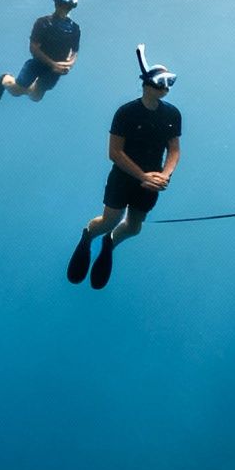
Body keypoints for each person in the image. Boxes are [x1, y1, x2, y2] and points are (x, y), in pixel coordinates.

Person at [67, 46, 182, 290]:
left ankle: (109, 243)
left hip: (152, 181)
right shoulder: (126, 112)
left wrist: (164, 174)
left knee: (134, 226)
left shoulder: (172, 114)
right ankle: (88, 236)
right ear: (147, 84)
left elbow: (174, 150)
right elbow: (115, 153)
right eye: (162, 82)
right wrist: (143, 176)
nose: (166, 87)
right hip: (124, 177)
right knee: (110, 219)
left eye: (170, 82)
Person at [0, 0, 82, 107]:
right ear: (56, 4)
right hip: (37, 65)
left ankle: (31, 86)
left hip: (54, 70)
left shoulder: (75, 28)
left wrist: (69, 64)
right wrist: (53, 64)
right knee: (17, 91)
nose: (64, 8)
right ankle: (5, 79)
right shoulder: (43, 23)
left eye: (68, 6)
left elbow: (74, 51)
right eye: (62, 5)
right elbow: (34, 48)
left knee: (36, 96)